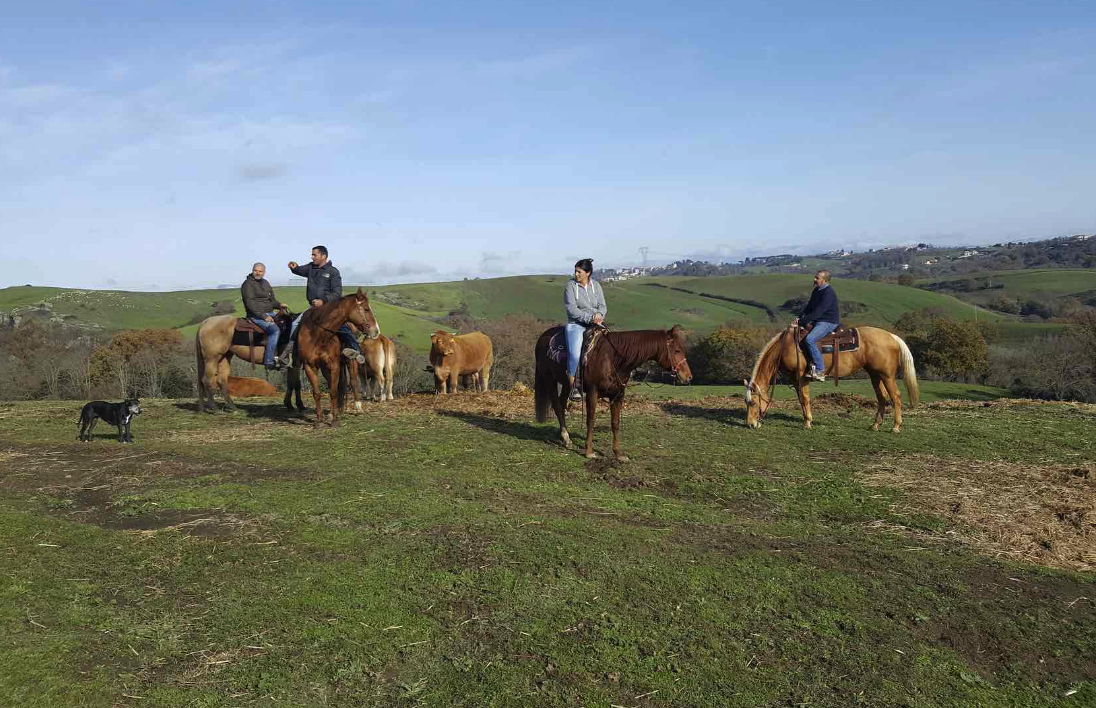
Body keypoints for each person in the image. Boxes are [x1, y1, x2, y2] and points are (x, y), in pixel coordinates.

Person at [286, 245, 365, 364]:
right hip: (313, 308)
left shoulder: (333, 272)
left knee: (342, 326)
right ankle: (290, 353)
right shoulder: (311, 268)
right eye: (312, 255)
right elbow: (301, 270)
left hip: (329, 308)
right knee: (296, 324)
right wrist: (294, 267)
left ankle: (356, 351)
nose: (312, 257)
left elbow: (337, 293)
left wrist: (323, 300)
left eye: (314, 255)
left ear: (323, 256)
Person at [563, 258, 607, 400]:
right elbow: (572, 310)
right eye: (575, 271)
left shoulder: (597, 286)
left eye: (579, 271)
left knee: (612, 346)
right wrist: (590, 318)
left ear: (588, 273)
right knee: (575, 354)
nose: (576, 274)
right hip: (576, 324)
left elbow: (602, 305)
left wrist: (600, 314)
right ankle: (574, 387)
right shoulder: (570, 286)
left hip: (596, 324)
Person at [241, 263, 289, 371]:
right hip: (255, 315)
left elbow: (272, 301)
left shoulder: (266, 283)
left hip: (270, 313)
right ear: (252, 270)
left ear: (264, 272)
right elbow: (250, 304)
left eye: (260, 271)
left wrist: (280, 305)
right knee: (275, 330)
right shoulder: (247, 284)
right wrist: (263, 316)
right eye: (255, 270)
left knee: (288, 323)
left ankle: (283, 356)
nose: (258, 273)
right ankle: (269, 361)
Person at [793, 270, 840, 382]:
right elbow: (809, 307)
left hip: (828, 322)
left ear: (824, 280)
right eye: (815, 277)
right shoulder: (816, 290)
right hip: (817, 321)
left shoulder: (829, 293)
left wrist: (802, 321)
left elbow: (818, 312)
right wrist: (799, 318)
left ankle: (820, 370)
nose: (814, 279)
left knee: (809, 340)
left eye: (817, 278)